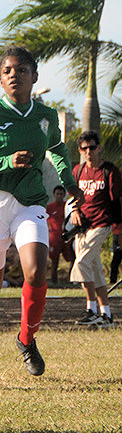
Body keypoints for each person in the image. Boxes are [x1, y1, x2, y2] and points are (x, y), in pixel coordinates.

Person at [0, 45, 82, 382]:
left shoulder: (46, 117)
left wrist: (69, 182)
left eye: (22, 70)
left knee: (35, 272)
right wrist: (5, 161)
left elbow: (57, 149)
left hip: (29, 202)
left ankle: (26, 340)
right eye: (8, 71)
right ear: (1, 79)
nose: (15, 75)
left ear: (35, 77)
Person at [70, 131, 122, 328]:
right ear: (80, 151)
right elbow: (74, 196)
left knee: (82, 263)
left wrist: (118, 230)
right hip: (82, 226)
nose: (89, 151)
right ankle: (106, 315)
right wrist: (75, 210)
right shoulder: (78, 170)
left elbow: (117, 201)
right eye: (84, 148)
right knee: (95, 269)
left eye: (92, 147)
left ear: (99, 148)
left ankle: (90, 309)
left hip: (102, 224)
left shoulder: (109, 171)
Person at [45, 185, 74, 285]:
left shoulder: (67, 206)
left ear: (64, 195)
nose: (59, 196)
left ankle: (71, 280)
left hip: (66, 237)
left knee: (72, 259)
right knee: (54, 261)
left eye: (61, 194)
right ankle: (54, 282)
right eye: (57, 194)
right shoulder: (49, 207)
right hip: (54, 238)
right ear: (54, 195)